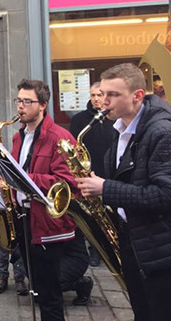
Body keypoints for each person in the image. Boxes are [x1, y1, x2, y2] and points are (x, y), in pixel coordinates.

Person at [77, 63, 171, 321]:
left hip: (160, 251)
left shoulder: (162, 132)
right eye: (101, 93)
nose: (103, 102)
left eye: (112, 95)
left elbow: (164, 196)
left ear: (137, 96)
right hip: (134, 241)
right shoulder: (120, 129)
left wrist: (105, 188)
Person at [11, 79, 79, 321]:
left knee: (49, 295)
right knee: (37, 288)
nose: (20, 106)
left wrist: (24, 178)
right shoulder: (18, 137)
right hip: (23, 218)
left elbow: (68, 183)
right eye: (19, 100)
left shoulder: (60, 137)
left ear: (43, 105)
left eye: (27, 102)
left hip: (47, 222)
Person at [70, 81, 115, 267]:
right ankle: (96, 251)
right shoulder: (80, 120)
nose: (96, 99)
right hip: (91, 174)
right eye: (93, 95)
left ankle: (115, 248)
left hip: (111, 174)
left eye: (99, 95)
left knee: (113, 214)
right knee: (95, 216)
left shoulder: (115, 117)